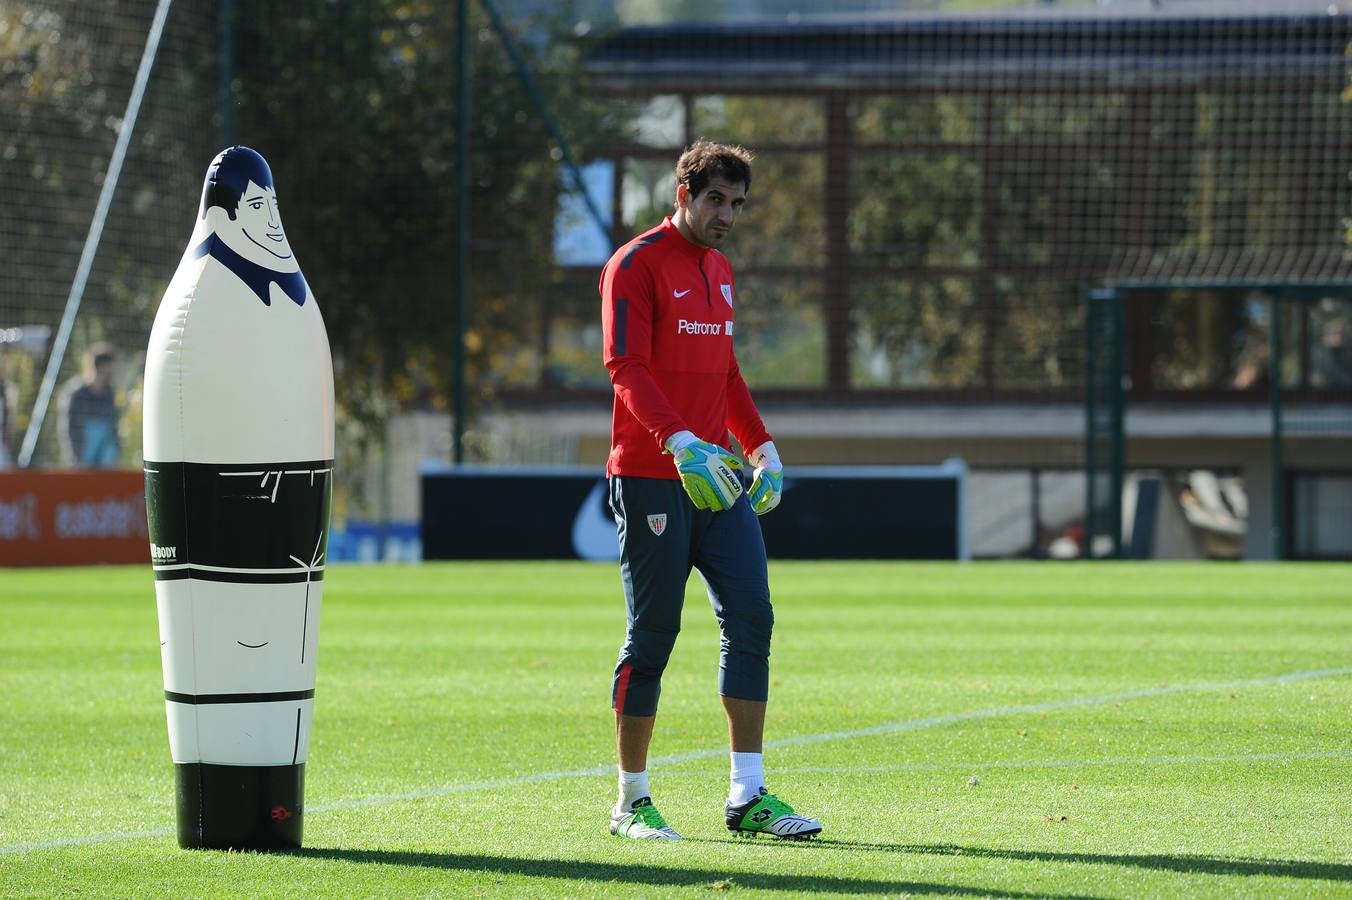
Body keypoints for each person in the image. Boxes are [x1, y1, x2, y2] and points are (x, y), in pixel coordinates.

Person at [598, 140, 822, 842]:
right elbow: (625, 366)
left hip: (717, 479)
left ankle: (747, 796)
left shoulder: (720, 270)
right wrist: (679, 440)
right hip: (652, 477)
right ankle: (630, 802)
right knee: (653, 637)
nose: (727, 215)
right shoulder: (634, 265)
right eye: (716, 200)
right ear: (684, 193)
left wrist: (760, 444)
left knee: (752, 618)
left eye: (737, 204)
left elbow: (724, 374)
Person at [58, 342, 122, 467]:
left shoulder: (110, 395)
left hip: (106, 464)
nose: (112, 374)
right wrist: (76, 459)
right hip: (82, 461)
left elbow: (113, 430)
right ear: (98, 367)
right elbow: (68, 430)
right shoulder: (75, 394)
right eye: (109, 369)